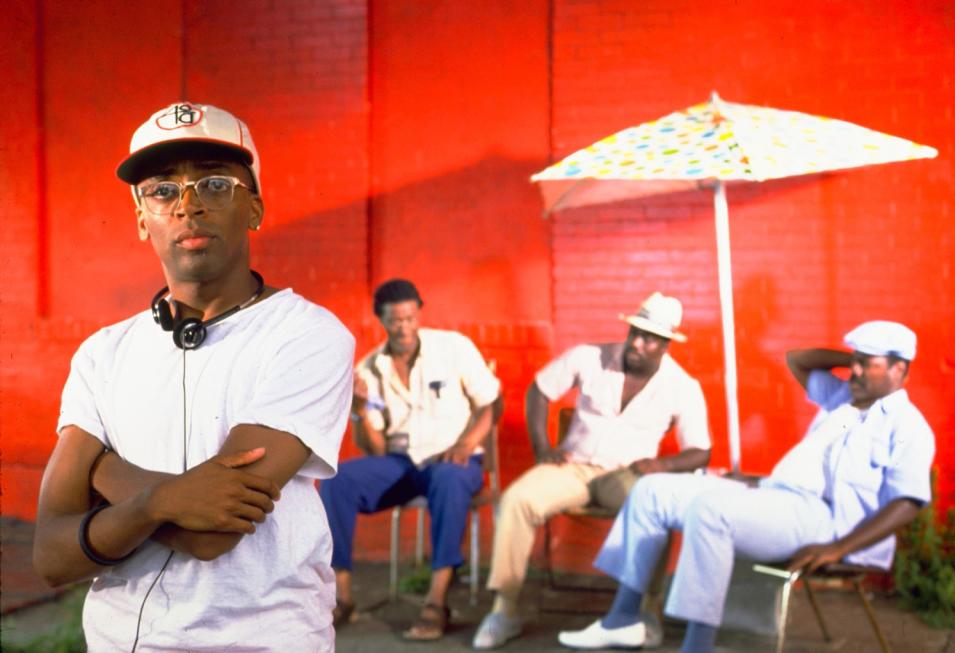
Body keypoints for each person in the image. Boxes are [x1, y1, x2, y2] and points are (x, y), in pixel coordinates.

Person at [32, 102, 355, 652]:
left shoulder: (307, 336)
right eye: (162, 190)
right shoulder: (101, 354)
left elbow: (211, 534)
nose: (188, 206)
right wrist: (162, 503)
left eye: (214, 184)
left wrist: (102, 470)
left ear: (253, 207)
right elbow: (51, 556)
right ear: (140, 219)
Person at [557, 320, 935, 652]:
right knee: (652, 490)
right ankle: (623, 619)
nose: (853, 371)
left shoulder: (907, 427)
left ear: (899, 368)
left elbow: (908, 501)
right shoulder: (843, 399)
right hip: (772, 496)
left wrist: (839, 548)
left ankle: (697, 646)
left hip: (826, 521)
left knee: (712, 513)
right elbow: (798, 359)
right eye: (853, 362)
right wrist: (857, 356)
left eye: (867, 364)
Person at [473, 291, 712, 650]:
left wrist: (661, 465)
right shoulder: (590, 356)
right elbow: (539, 388)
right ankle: (504, 609)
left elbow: (701, 451)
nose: (639, 343)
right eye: (636, 332)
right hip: (573, 466)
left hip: (627, 474)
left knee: (657, 511)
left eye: (651, 339)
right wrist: (542, 446)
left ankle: (648, 610)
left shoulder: (682, 386)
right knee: (517, 500)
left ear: (666, 345)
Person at [319, 278, 501, 641]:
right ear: (381, 320)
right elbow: (375, 448)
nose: (404, 327)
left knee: (449, 479)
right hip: (402, 462)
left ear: (419, 313)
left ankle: (436, 601)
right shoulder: (371, 368)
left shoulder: (453, 348)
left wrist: (466, 444)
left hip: (454, 461)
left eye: (410, 318)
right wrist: (358, 410)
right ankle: (342, 596)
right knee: (336, 481)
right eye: (395, 320)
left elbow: (491, 403)